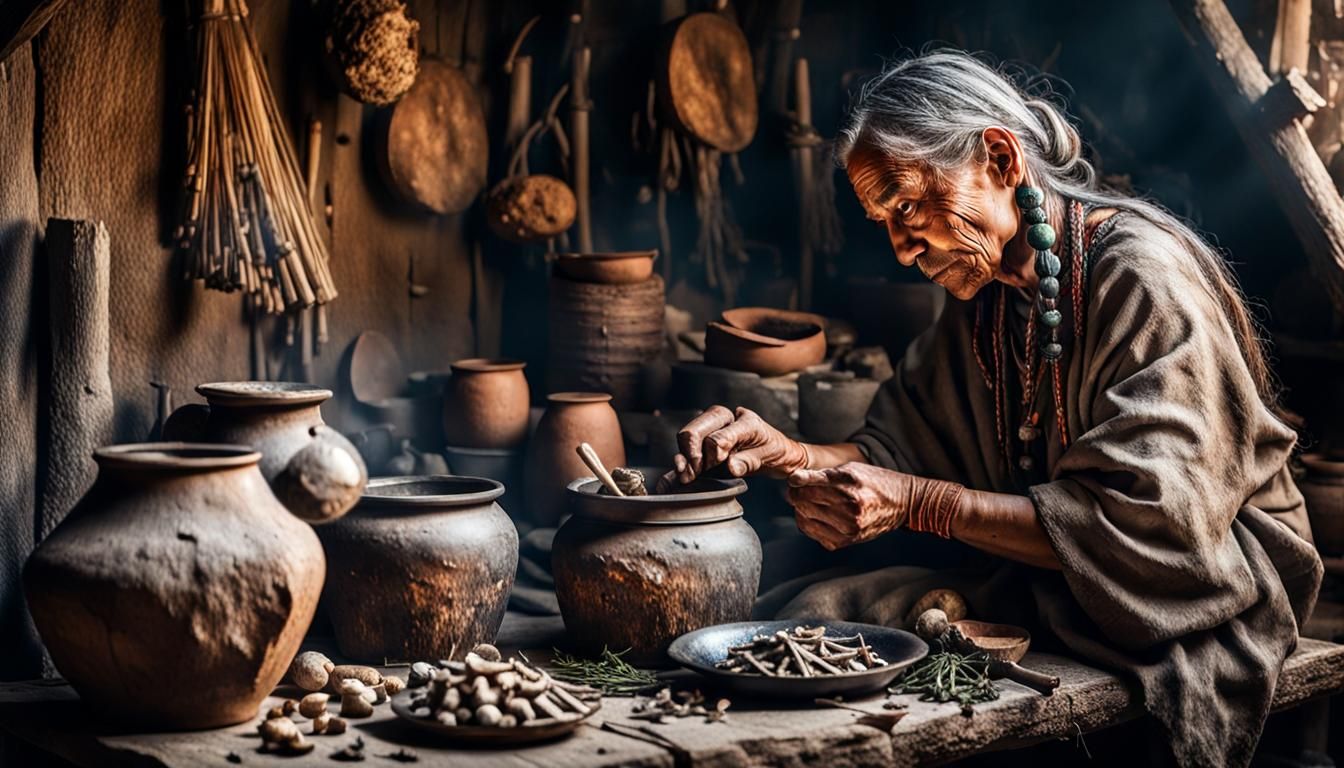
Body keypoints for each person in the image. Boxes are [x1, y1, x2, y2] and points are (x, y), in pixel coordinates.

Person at [662, 50, 1322, 767]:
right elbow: (900, 449)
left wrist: (921, 504)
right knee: (817, 602)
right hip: (1076, 578)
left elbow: (1154, 522)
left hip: (1209, 581)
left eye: (908, 206)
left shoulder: (1140, 276)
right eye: (884, 221)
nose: (903, 248)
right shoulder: (987, 300)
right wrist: (792, 455)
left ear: (1001, 161)